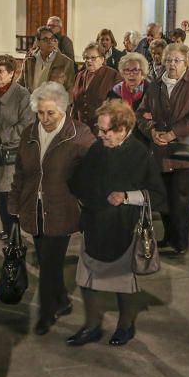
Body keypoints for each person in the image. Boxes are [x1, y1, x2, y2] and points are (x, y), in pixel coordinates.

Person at [67, 100, 168, 347]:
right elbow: (78, 180)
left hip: (124, 227)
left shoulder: (140, 153)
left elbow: (158, 195)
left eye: (105, 131)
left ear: (122, 129)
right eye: (99, 130)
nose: (99, 135)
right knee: (86, 280)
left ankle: (126, 326)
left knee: (123, 283)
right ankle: (91, 326)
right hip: (93, 224)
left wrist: (126, 197)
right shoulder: (98, 149)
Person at [9, 82, 95, 335]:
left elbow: (93, 173)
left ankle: (45, 315)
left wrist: (85, 201)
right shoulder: (29, 133)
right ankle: (62, 300)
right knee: (49, 262)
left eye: (51, 113)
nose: (45, 119)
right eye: (41, 113)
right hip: (33, 208)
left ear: (63, 110)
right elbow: (20, 173)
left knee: (48, 265)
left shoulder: (79, 134)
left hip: (61, 208)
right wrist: (14, 204)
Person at [136, 43, 189, 254]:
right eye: (168, 60)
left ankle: (181, 242)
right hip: (159, 150)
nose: (171, 64)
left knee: (182, 200)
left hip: (183, 151)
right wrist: (151, 131)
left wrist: (172, 133)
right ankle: (168, 237)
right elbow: (141, 113)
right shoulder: (155, 84)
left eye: (176, 60)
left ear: (186, 62)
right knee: (164, 197)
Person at [0, 56, 35, 241]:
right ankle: (7, 230)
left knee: (9, 196)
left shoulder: (22, 95)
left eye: (1, 71)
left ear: (11, 73)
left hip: (13, 154)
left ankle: (15, 237)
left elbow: (26, 126)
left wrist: (3, 136)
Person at [71, 42, 121, 132]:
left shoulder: (113, 75)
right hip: (80, 129)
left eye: (93, 58)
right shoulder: (79, 76)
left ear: (102, 59)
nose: (89, 61)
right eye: (86, 58)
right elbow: (75, 105)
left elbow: (118, 106)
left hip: (102, 129)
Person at [21, 26, 76, 92]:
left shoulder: (66, 62)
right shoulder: (29, 61)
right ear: (38, 42)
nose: (50, 42)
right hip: (31, 101)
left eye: (52, 39)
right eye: (45, 39)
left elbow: (70, 89)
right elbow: (21, 83)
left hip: (54, 101)